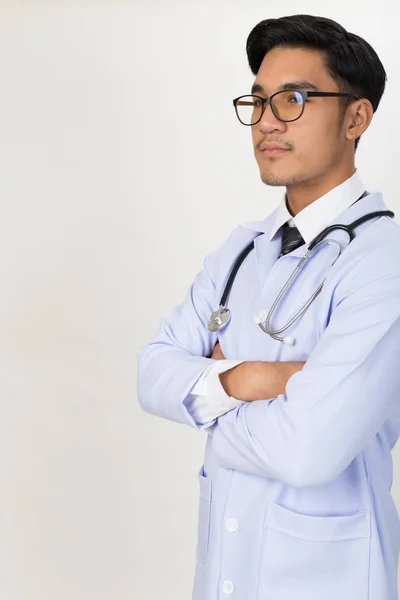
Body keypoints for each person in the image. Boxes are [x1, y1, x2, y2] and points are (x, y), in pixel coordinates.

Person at [137, 14, 400, 600]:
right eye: (257, 102)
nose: (266, 123)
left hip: (326, 580)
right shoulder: (240, 250)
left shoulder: (384, 263)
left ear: (357, 117)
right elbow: (151, 373)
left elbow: (308, 450)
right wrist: (256, 378)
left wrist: (204, 397)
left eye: (294, 99)